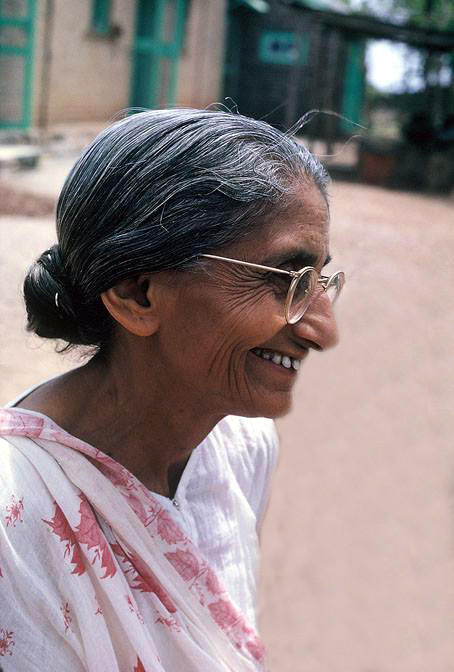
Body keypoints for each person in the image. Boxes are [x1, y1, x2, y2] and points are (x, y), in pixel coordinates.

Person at [0, 109, 343, 671]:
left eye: (319, 281)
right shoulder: (15, 518)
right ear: (138, 294)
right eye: (284, 279)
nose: (322, 329)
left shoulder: (239, 449)